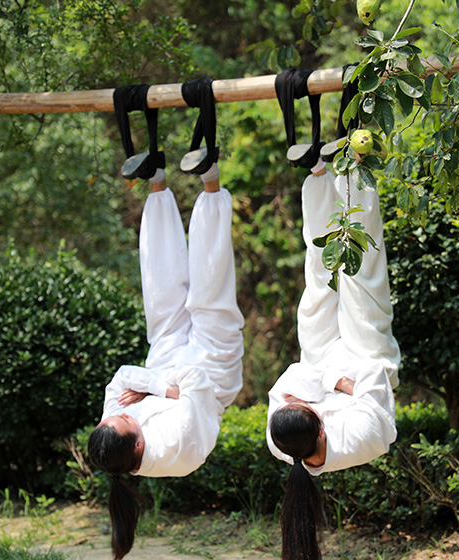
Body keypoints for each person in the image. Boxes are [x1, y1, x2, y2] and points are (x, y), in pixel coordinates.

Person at [88, 164, 243, 560]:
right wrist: (157, 386)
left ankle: (156, 180)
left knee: (159, 288)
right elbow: (192, 382)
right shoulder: (176, 450)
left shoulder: (113, 433)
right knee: (210, 289)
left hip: (165, 360)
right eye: (124, 418)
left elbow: (121, 378)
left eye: (112, 415)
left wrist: (160, 388)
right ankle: (211, 183)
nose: (116, 412)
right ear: (138, 441)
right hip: (214, 372)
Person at [266, 159, 401, 560]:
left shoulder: (281, 441)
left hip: (323, 362)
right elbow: (372, 379)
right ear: (322, 430)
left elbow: (289, 379)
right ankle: (354, 169)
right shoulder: (362, 441)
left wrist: (330, 386)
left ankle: (319, 173)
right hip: (368, 358)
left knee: (319, 275)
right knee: (362, 273)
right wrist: (328, 384)